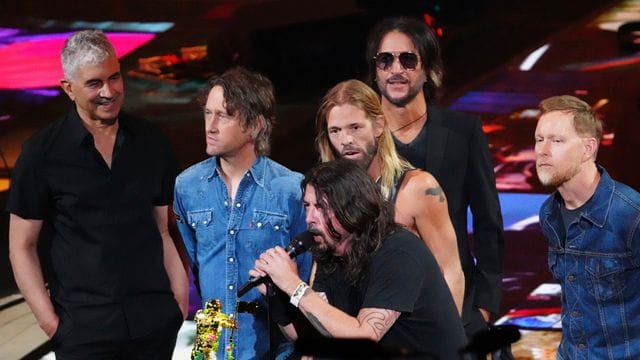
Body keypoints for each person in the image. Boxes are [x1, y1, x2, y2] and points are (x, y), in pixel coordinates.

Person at [7, 30, 188, 358]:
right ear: (68, 89)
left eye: (115, 77)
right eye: (94, 83)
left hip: (155, 323)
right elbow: (21, 246)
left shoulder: (151, 141)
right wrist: (51, 323)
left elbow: (164, 228)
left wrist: (178, 302)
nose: (110, 91)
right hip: (84, 334)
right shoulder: (41, 154)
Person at [366, 16, 504, 337]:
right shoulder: (361, 140)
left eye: (408, 59)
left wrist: (484, 303)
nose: (396, 69)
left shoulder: (463, 132)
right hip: (380, 305)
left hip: (456, 300)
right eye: (385, 60)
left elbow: (488, 221)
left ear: (427, 69)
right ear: (375, 71)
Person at [250, 159, 467, 359]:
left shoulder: (399, 252)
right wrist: (276, 295)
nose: (309, 218)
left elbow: (364, 337)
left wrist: (294, 285)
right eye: (307, 206)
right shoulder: (332, 251)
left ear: (352, 208)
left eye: (321, 207)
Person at [173, 67, 312, 359]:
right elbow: (198, 262)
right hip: (211, 341)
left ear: (255, 125)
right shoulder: (187, 186)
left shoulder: (290, 189)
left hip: (271, 342)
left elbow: (306, 274)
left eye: (223, 116)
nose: (210, 126)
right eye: (207, 113)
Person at [315, 79, 464, 313]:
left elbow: (450, 270)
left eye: (355, 127)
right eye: (336, 131)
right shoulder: (324, 198)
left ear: (378, 125)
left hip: (413, 333)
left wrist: (447, 343)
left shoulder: (418, 188)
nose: (345, 140)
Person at [535, 95, 640, 359]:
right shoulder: (549, 213)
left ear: (588, 148)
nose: (542, 150)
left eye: (556, 140)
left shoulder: (631, 215)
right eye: (539, 139)